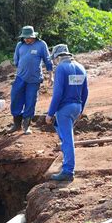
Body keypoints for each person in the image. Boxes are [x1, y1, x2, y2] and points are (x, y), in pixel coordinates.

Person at [45, 44, 89, 182]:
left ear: (57, 57)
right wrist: (81, 109)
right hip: (76, 106)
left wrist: (50, 113)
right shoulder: (81, 67)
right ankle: (66, 159)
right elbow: (85, 91)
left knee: (67, 138)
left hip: (64, 108)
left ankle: (68, 170)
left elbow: (57, 94)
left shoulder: (61, 69)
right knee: (60, 129)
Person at [9, 25, 53, 135]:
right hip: (20, 77)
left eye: (28, 37)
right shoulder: (20, 45)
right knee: (15, 99)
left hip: (34, 79)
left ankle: (26, 125)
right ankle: (16, 124)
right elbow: (16, 61)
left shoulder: (41, 44)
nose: (26, 39)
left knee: (30, 101)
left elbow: (47, 60)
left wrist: (50, 75)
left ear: (33, 36)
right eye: (24, 37)